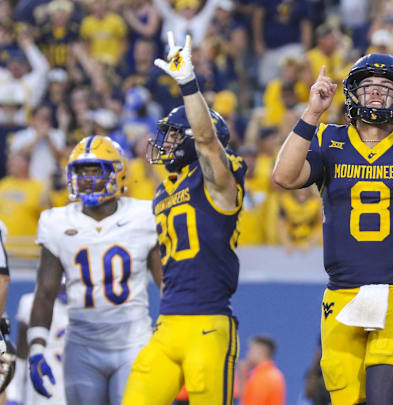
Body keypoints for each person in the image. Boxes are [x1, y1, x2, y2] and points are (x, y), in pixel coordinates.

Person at [272, 53, 393, 405]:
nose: (376, 93)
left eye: (386, 86)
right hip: (342, 294)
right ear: (353, 93)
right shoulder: (329, 139)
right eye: (368, 86)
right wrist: (311, 114)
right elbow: (285, 176)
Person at [122, 32, 247, 404]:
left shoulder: (216, 180)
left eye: (177, 136)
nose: (168, 144)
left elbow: (208, 142)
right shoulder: (165, 189)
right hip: (168, 322)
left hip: (208, 323)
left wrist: (189, 85)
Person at [27, 135, 162, 405]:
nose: (87, 179)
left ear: (117, 173)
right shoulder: (56, 221)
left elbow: (167, 285)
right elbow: (45, 293)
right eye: (81, 172)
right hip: (82, 346)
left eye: (95, 171)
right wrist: (36, 348)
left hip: (134, 342)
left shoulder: (145, 215)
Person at [11, 288, 68, 405]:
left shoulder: (94, 305)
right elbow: (21, 355)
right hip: (40, 396)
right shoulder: (29, 303)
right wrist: (14, 394)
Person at [238, 335, 286, 405]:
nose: (247, 353)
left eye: (250, 350)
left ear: (261, 352)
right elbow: (247, 399)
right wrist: (243, 377)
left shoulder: (264, 377)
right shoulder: (266, 374)